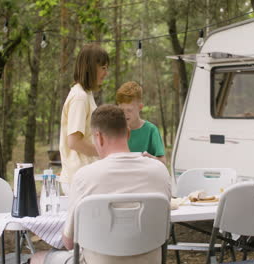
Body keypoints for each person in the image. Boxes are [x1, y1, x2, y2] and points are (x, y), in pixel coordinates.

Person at [31, 105, 171, 264]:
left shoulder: (85, 177)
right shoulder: (160, 171)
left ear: (99, 137)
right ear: (128, 133)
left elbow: (69, 242)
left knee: (37, 258)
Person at [58, 44, 109, 195]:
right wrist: (104, 152)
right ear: (91, 67)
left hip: (86, 177)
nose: (106, 73)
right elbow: (74, 142)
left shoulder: (86, 94)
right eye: (103, 68)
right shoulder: (79, 97)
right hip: (79, 179)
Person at [116, 81, 166, 164]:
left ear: (140, 107)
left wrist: (150, 158)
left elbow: (163, 162)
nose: (125, 114)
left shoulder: (151, 130)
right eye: (122, 110)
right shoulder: (116, 131)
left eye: (129, 110)